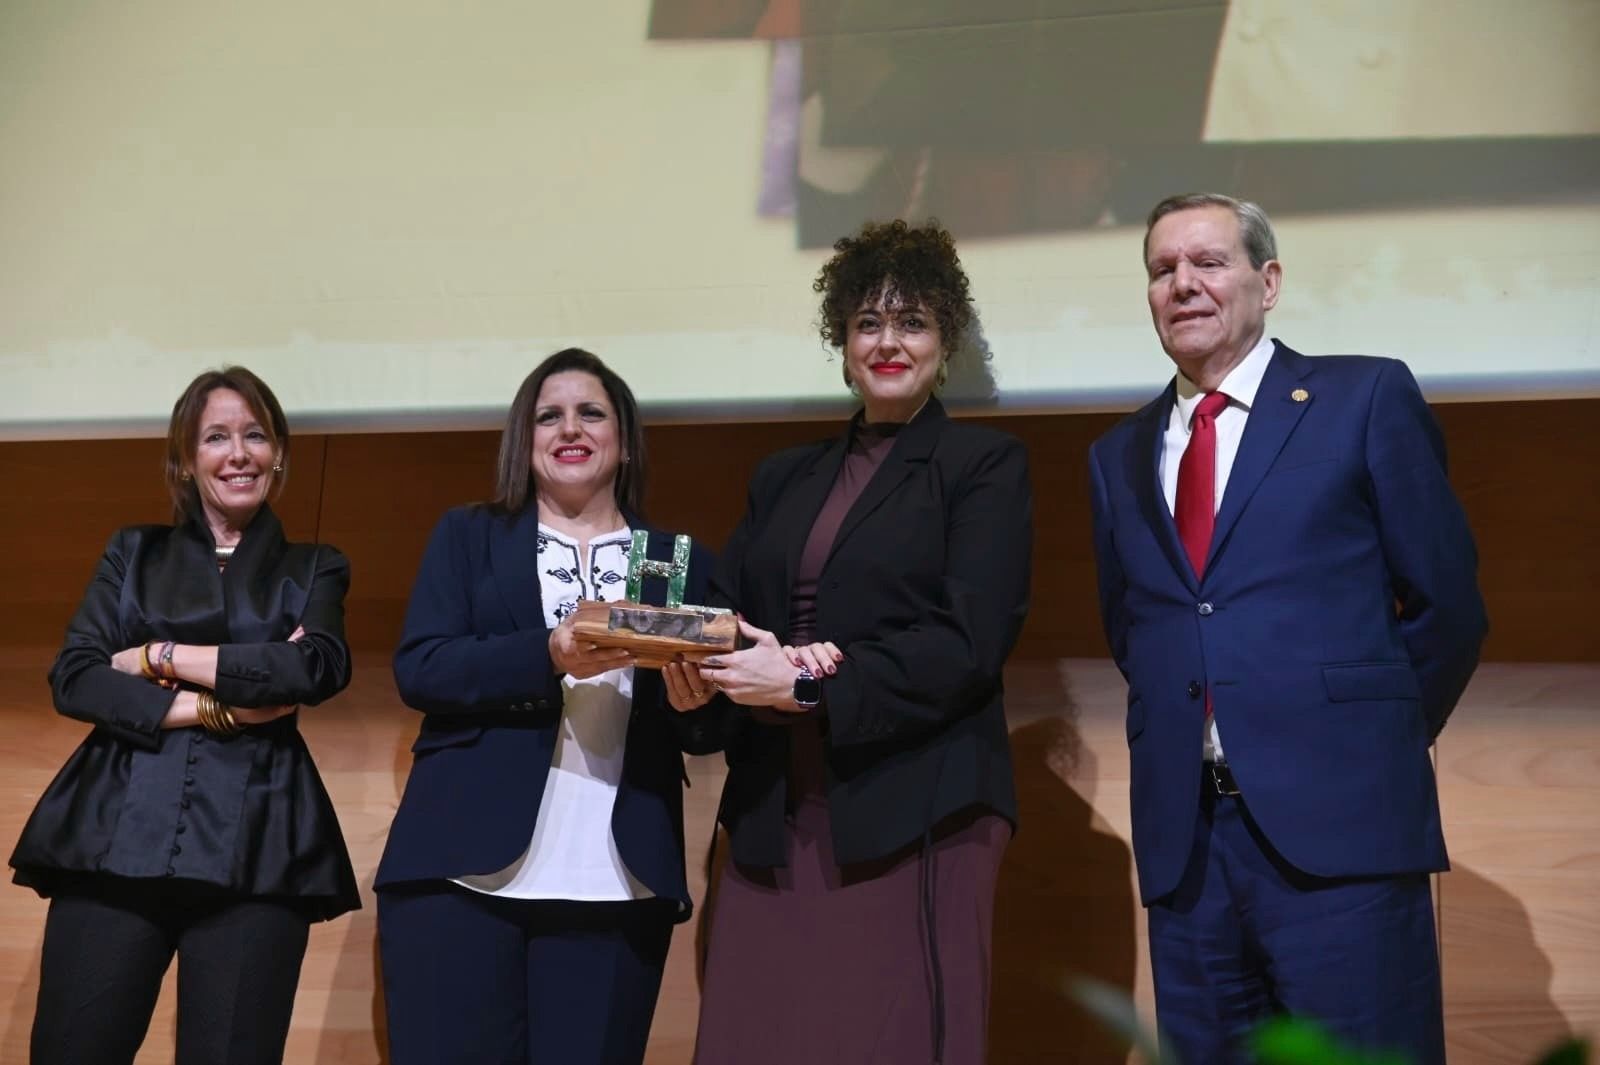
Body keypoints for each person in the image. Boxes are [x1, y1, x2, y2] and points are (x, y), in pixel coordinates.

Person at [1088, 192, 1487, 1064]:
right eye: (1163, 270)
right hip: (1188, 852)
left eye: (1208, 262)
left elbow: (1448, 603)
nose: (1182, 284)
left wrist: (1369, 739)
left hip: (1342, 836)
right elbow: (1139, 630)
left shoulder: (1362, 395)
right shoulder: (1117, 453)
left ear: (1267, 282)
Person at [689, 219, 1033, 1064]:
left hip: (917, 808)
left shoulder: (982, 464)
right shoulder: (782, 475)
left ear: (943, 339)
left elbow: (968, 641)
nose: (888, 341)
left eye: (911, 321)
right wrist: (696, 676)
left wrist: (810, 686)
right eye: (867, 323)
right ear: (841, 343)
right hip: (774, 811)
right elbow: (733, 618)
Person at [375, 348, 719, 1065]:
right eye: (549, 415)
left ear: (622, 438)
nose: (571, 428)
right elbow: (422, 666)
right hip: (459, 875)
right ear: (523, 440)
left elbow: (707, 724)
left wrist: (698, 700)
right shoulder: (469, 536)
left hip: (617, 883)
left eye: (591, 412)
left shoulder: (673, 558)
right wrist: (547, 653)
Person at [10, 366, 359, 1065]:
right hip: (114, 834)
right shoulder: (131, 552)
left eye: (255, 435)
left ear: (279, 453)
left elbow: (311, 668)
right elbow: (75, 677)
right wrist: (219, 703)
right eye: (217, 437)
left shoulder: (315, 564)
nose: (238, 453)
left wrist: (154, 654)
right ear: (185, 459)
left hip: (260, 844)